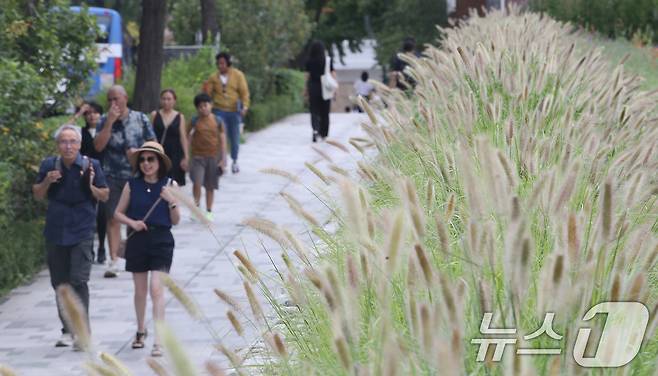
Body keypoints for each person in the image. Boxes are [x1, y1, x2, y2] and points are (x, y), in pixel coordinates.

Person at [32, 124, 109, 349]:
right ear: (58, 145)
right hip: (56, 229)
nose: (68, 146)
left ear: (79, 144)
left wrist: (91, 184)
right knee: (60, 283)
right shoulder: (49, 165)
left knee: (79, 280)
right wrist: (47, 181)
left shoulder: (90, 165)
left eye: (73, 142)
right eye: (64, 142)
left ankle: (82, 332)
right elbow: (37, 194)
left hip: (82, 229)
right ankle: (67, 329)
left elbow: (104, 195)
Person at [113, 141, 180, 358]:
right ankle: (141, 330)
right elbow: (117, 213)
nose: (146, 164)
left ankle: (159, 341)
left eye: (151, 159)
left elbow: (176, 220)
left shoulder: (170, 184)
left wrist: (171, 202)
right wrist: (132, 223)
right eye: (142, 160)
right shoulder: (132, 185)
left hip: (161, 239)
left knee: (157, 290)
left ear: (159, 162)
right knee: (140, 290)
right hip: (138, 240)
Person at [94, 85, 156, 278]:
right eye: (110, 100)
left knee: (137, 218)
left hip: (137, 176)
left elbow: (154, 145)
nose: (113, 103)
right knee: (112, 217)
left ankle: (135, 255)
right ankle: (114, 260)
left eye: (116, 99)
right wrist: (109, 123)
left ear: (125, 98)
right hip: (111, 175)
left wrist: (139, 155)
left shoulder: (140, 118)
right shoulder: (105, 120)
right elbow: (98, 146)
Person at [69, 102, 108, 264]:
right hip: (84, 175)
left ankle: (102, 248)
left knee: (103, 214)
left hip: (104, 174)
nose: (92, 116)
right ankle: (90, 247)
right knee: (89, 212)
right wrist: (78, 113)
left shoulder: (105, 130)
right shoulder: (80, 132)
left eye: (95, 112)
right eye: (88, 113)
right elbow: (62, 132)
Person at [202, 52, 250, 174]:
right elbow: (208, 95)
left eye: (223, 63)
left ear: (228, 63)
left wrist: (245, 106)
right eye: (218, 64)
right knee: (218, 137)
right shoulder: (214, 77)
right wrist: (205, 90)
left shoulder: (238, 75)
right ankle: (220, 163)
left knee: (234, 138)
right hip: (219, 110)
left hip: (234, 111)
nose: (220, 66)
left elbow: (244, 93)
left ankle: (234, 160)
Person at [189, 93, 227, 221]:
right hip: (197, 157)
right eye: (200, 106)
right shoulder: (194, 121)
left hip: (213, 157)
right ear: (197, 108)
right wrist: (186, 155)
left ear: (211, 105)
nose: (203, 108)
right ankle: (196, 208)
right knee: (197, 183)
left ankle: (209, 211)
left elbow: (223, 140)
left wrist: (223, 159)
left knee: (210, 186)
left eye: (205, 105)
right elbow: (187, 137)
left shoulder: (218, 121)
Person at [150, 89, 190, 186]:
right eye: (164, 99)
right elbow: (150, 134)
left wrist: (186, 156)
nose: (166, 102)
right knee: (157, 180)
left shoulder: (180, 116)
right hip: (159, 152)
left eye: (169, 99)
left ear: (174, 101)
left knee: (174, 182)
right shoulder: (155, 115)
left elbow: (183, 137)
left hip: (175, 153)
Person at [304, 40, 336, 142]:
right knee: (325, 112)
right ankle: (324, 133)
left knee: (314, 111)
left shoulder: (309, 61)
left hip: (313, 87)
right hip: (325, 88)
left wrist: (305, 90)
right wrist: (334, 88)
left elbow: (307, 76)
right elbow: (333, 74)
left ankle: (315, 130)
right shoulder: (327, 60)